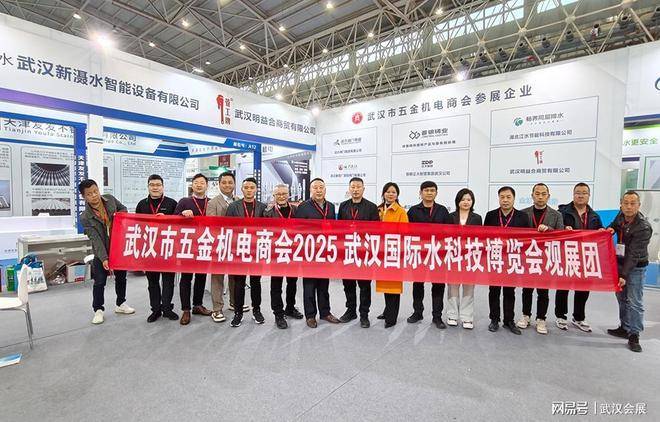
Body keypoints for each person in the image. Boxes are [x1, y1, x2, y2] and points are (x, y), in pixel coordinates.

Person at [79, 179, 135, 325]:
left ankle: (121, 303)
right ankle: (98, 310)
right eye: (89, 194)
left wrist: (118, 216)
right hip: (101, 252)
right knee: (99, 282)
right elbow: (95, 239)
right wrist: (104, 258)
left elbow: (123, 209)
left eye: (95, 191)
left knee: (121, 278)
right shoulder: (85, 217)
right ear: (84, 197)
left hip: (118, 248)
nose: (94, 195)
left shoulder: (110, 199)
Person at [606, 191, 652, 353]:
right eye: (626, 203)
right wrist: (610, 229)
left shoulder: (643, 227)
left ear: (639, 205)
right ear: (621, 205)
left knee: (635, 301)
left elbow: (633, 254)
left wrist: (624, 275)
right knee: (622, 298)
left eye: (633, 203)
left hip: (636, 267)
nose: (629, 206)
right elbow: (614, 225)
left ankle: (634, 335)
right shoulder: (621, 216)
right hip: (619, 263)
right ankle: (624, 327)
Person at [556, 183, 603, 332]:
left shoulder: (594, 216)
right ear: (573, 194)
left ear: (589, 195)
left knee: (583, 288)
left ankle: (579, 317)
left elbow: (599, 233)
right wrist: (563, 229)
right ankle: (561, 316)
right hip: (567, 255)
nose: (581, 195)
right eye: (578, 192)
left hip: (586, 257)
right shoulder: (562, 212)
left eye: (584, 193)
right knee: (563, 287)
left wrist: (602, 232)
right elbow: (555, 230)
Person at [517, 183, 564, 335]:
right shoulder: (523, 214)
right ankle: (526, 315)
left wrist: (549, 230)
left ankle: (541, 318)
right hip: (528, 257)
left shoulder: (556, 215)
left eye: (543, 194)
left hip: (546, 258)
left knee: (543, 291)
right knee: (527, 289)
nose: (540, 197)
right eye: (537, 194)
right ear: (532, 196)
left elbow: (561, 235)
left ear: (548, 196)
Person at [294, 178, 341, 328]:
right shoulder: (303, 207)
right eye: (315, 187)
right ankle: (310, 315)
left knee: (324, 285)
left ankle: (325, 312)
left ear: (325, 189)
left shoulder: (331, 206)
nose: (319, 190)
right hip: (309, 252)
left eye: (321, 187)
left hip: (325, 252)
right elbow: (297, 229)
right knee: (309, 285)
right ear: (310, 190)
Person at [484, 186, 529, 335]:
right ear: (498, 198)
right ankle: (494, 319)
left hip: (512, 259)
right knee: (494, 290)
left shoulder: (523, 217)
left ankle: (509, 320)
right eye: (502, 197)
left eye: (508, 197)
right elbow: (485, 237)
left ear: (514, 198)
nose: (505, 200)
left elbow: (527, 239)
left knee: (510, 291)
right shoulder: (490, 216)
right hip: (495, 258)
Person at [406, 181, 451, 329]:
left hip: (438, 255)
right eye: (426, 190)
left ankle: (437, 317)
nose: (429, 193)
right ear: (420, 193)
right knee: (418, 284)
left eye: (432, 190)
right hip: (419, 254)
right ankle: (417, 312)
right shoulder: (413, 211)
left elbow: (449, 232)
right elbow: (408, 233)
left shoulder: (443, 211)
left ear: (436, 193)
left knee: (438, 285)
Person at [135, 174, 179, 323]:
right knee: (152, 282)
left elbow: (179, 225)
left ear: (163, 187)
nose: (155, 187)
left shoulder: (172, 203)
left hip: (168, 249)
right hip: (149, 250)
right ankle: (155, 310)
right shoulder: (141, 205)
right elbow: (137, 227)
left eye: (158, 185)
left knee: (168, 281)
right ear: (148, 187)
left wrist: (166, 219)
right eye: (152, 185)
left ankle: (167, 309)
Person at [337, 177, 380, 328]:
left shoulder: (371, 207)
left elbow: (376, 230)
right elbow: (339, 228)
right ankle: (350, 311)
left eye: (358, 187)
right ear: (349, 189)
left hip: (364, 253)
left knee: (364, 285)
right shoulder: (343, 206)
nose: (355, 190)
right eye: (353, 187)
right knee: (348, 284)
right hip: (348, 251)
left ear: (363, 189)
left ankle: (364, 315)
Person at [227, 177, 268, 327]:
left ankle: (257, 310)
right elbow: (227, 227)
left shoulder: (263, 207)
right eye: (246, 187)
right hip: (239, 249)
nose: (249, 190)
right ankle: (238, 312)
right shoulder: (233, 206)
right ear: (242, 189)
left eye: (252, 187)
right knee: (239, 282)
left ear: (256, 189)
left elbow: (269, 228)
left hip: (256, 249)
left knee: (256, 282)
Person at [206, 171, 246, 323]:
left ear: (235, 184)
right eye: (224, 182)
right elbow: (211, 225)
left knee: (235, 275)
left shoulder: (239, 200)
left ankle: (235, 303)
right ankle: (217, 309)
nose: (227, 185)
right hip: (220, 245)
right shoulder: (213, 203)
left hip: (236, 245)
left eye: (230, 182)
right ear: (219, 184)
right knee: (218, 277)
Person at [263, 184, 304, 329]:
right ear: (274, 196)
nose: (281, 196)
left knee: (292, 283)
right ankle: (278, 314)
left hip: (293, 252)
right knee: (276, 285)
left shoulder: (296, 210)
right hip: (276, 253)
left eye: (284, 194)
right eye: (278, 194)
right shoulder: (268, 212)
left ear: (289, 194)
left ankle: (290, 308)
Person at [174, 173, 213, 325]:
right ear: (192, 185)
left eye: (202, 182)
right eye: (196, 182)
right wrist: (181, 214)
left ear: (207, 185)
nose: (199, 185)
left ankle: (198, 305)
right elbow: (173, 220)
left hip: (205, 244)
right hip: (188, 245)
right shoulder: (184, 201)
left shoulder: (211, 202)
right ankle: (186, 309)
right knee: (186, 278)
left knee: (201, 277)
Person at [447, 188, 482, 330]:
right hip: (453, 256)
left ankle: (467, 317)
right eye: (463, 199)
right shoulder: (450, 217)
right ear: (458, 201)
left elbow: (480, 237)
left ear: (472, 201)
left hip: (470, 257)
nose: (466, 202)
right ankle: (452, 315)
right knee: (453, 287)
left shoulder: (477, 218)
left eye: (468, 199)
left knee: (468, 287)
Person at [375, 182, 408, 328]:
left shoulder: (401, 211)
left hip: (394, 252)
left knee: (393, 286)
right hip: (380, 252)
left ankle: (391, 317)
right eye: (388, 192)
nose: (390, 194)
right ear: (383, 194)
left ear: (397, 195)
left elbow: (405, 234)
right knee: (385, 284)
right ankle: (387, 310)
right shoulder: (378, 210)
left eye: (393, 192)